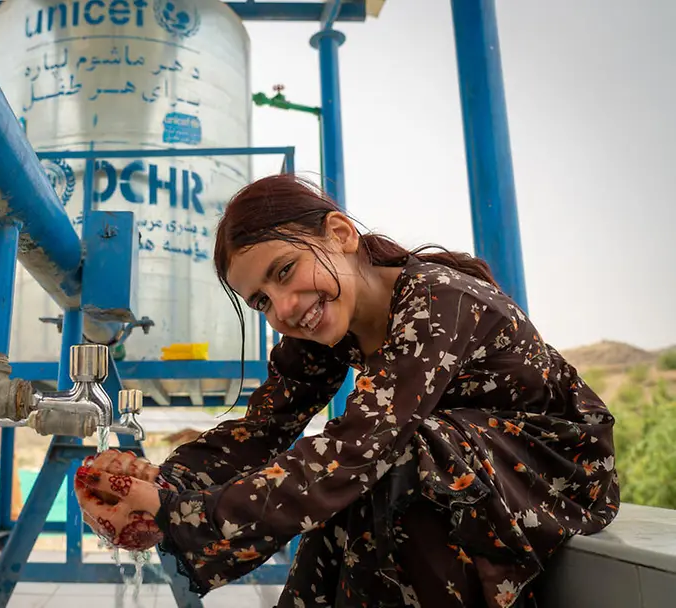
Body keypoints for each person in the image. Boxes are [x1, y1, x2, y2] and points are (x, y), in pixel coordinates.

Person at [72, 173, 619, 608]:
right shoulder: (323, 325)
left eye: (285, 271)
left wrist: (176, 516)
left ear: (340, 235)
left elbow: (359, 446)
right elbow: (261, 430)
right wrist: (155, 484)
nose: (283, 306)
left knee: (391, 455)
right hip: (455, 469)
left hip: (554, 472)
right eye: (261, 301)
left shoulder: (440, 301)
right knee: (360, 482)